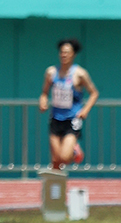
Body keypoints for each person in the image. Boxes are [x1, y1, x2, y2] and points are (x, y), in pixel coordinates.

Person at [39, 38, 99, 169]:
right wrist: (43, 102)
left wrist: (85, 110)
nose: (64, 55)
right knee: (55, 160)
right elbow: (44, 93)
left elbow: (94, 93)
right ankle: (55, 189)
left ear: (73, 54)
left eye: (67, 52)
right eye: (61, 52)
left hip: (72, 119)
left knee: (64, 158)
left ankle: (74, 150)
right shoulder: (51, 72)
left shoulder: (80, 74)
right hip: (55, 118)